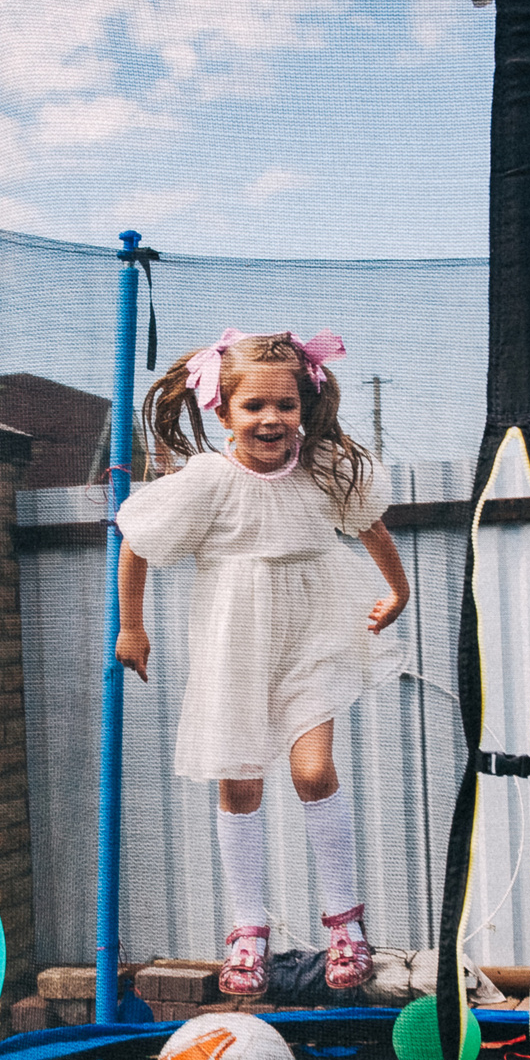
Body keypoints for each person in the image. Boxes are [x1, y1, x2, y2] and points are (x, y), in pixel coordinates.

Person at [114, 328, 411, 997]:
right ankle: (249, 929)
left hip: (313, 636)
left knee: (313, 771)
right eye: (253, 407)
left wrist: (398, 588)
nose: (271, 419)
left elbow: (371, 526)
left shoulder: (323, 467)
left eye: (285, 404)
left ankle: (346, 925)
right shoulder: (208, 479)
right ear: (222, 411)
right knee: (241, 784)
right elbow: (136, 541)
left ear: (304, 404)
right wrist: (132, 625)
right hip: (233, 650)